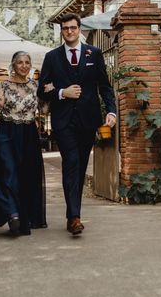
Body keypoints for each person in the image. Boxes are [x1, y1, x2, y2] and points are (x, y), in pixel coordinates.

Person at [37, 13, 116, 235]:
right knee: (71, 162)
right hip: (63, 122)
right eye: (65, 29)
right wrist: (63, 92)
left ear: (79, 29)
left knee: (80, 167)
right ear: (61, 31)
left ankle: (74, 212)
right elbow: (42, 89)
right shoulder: (52, 57)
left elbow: (105, 87)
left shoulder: (95, 53)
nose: (69, 32)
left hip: (88, 120)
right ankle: (74, 217)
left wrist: (111, 110)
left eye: (73, 28)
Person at [0, 51, 47, 236]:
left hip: (28, 133)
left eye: (27, 62)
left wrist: (51, 91)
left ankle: (22, 216)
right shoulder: (3, 86)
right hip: (6, 132)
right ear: (13, 65)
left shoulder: (36, 86)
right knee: (8, 172)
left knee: (26, 176)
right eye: (20, 62)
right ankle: (12, 214)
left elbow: (43, 108)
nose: (24, 65)